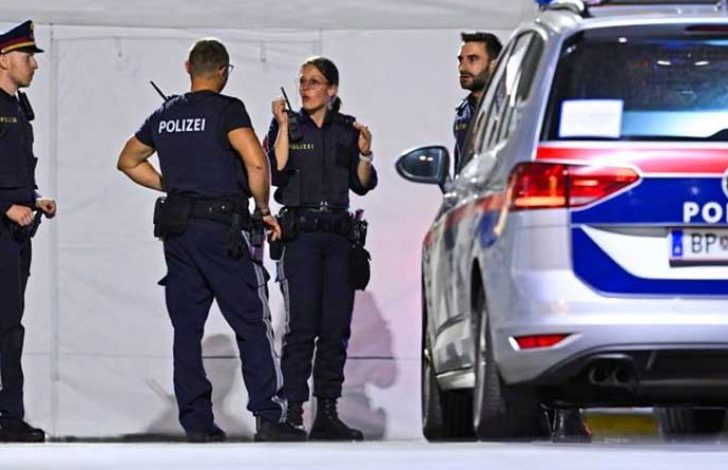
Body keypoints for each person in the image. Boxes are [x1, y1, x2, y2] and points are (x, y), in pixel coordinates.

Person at [116, 38, 304, 442]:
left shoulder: (165, 113)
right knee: (251, 322)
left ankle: (197, 424)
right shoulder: (227, 109)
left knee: (186, 331)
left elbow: (127, 160)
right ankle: (269, 417)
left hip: (178, 233)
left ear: (188, 67)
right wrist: (264, 210)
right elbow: (256, 162)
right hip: (223, 232)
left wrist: (172, 184)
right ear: (223, 72)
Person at [265, 56, 377, 440]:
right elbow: (276, 170)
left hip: (338, 238)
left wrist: (365, 154)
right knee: (300, 329)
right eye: (302, 81)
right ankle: (293, 413)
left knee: (335, 328)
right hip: (301, 238)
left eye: (314, 82)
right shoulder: (288, 125)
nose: (305, 88)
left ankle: (327, 413)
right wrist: (282, 125)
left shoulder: (346, 129)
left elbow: (362, 184)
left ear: (332, 89)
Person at [0, 20, 56, 443]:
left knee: (10, 325)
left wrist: (34, 199)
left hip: (17, 234)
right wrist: (5, 206)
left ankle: (9, 414)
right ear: (3, 59)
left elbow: (15, 170)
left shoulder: (19, 108)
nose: (34, 64)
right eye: (27, 56)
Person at [453, 31, 502, 174]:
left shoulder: (511, 108)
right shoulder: (464, 111)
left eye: (473, 59)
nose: (462, 68)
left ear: (494, 65)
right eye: (461, 60)